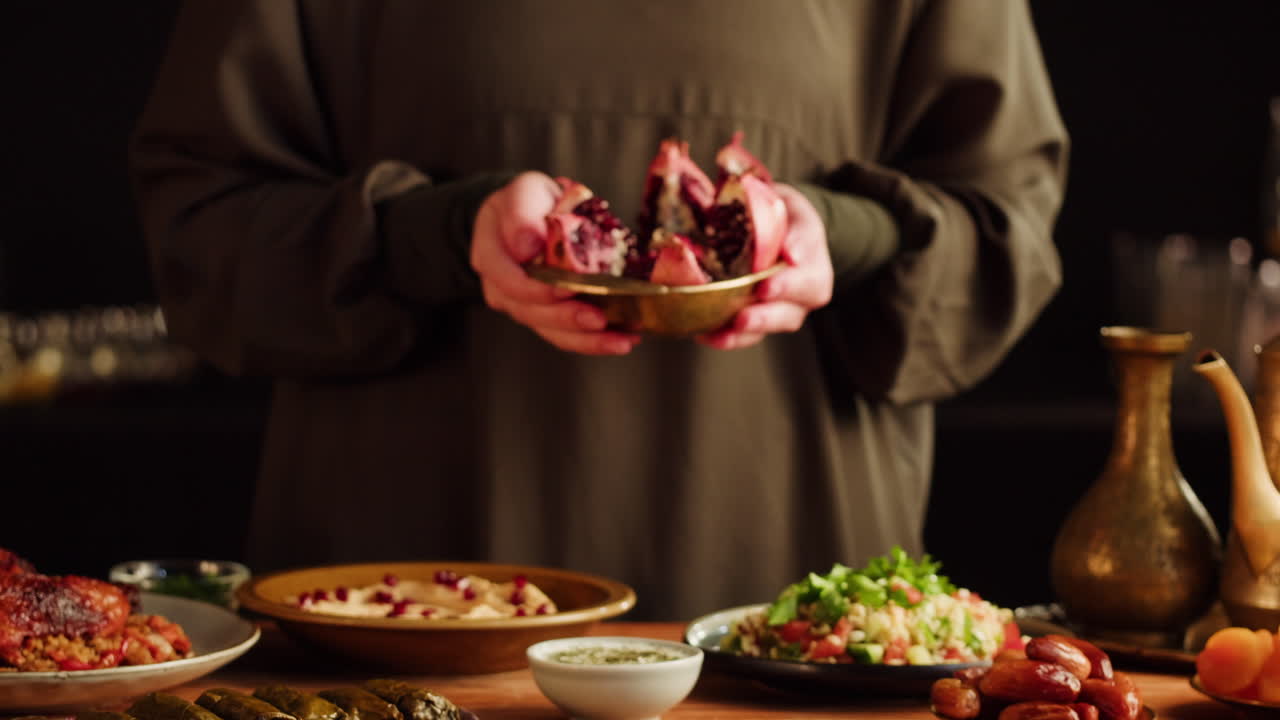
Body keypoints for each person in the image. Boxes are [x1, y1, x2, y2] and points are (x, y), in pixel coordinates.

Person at [129, 1, 1067, 621]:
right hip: (396, 634)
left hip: (788, 632)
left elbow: (1006, 230)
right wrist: (436, 233)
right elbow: (201, 233)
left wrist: (837, 233)